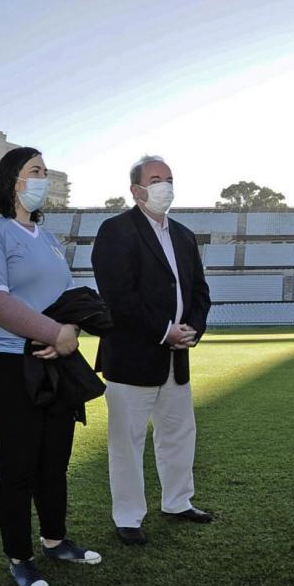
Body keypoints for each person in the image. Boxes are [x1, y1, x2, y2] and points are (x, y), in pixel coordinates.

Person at [0, 147, 101, 586]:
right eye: (35, 171)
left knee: (54, 461)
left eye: (45, 171)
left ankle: (56, 540)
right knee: (19, 465)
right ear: (12, 180)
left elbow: (63, 299)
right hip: (5, 362)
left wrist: (70, 330)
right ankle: (20, 558)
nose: (43, 177)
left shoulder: (48, 237)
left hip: (53, 361)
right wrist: (54, 332)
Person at [92, 155, 212, 546]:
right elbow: (118, 296)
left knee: (179, 434)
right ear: (136, 190)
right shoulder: (115, 231)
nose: (165, 185)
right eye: (156, 178)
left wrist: (191, 329)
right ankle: (128, 516)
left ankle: (178, 501)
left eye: (169, 178)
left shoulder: (184, 235)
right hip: (131, 359)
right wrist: (164, 331)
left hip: (177, 359)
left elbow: (199, 292)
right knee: (127, 441)